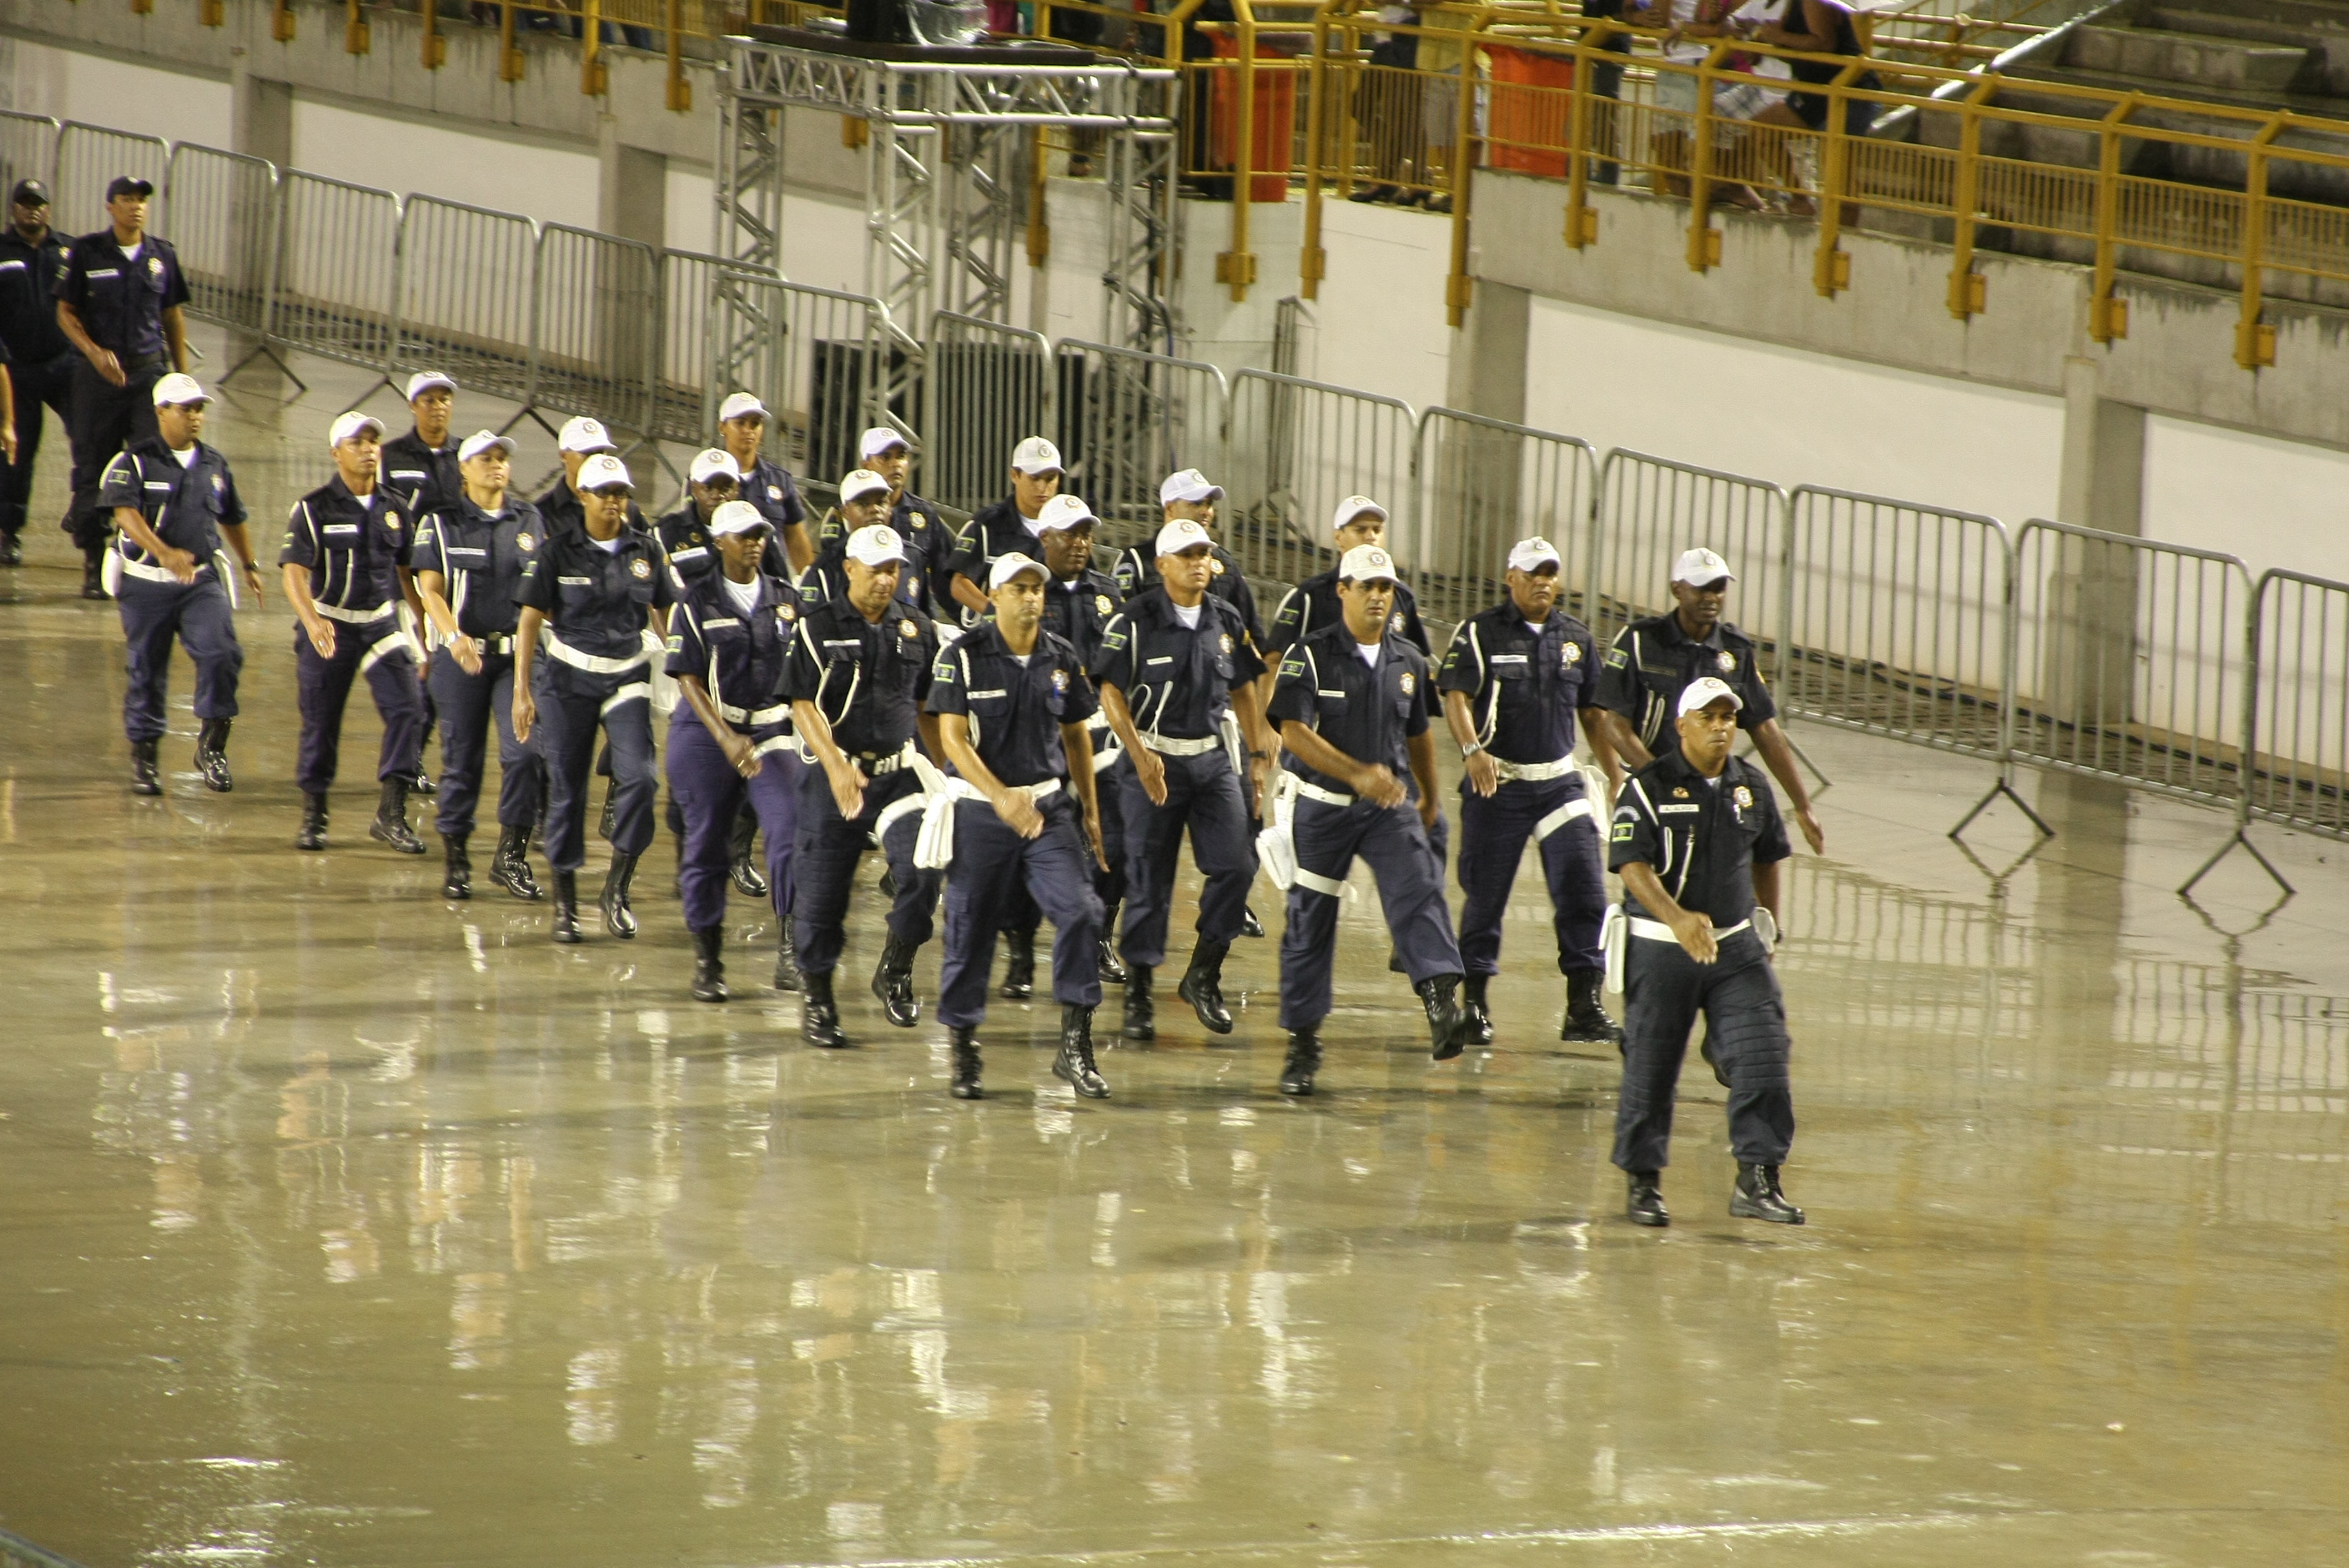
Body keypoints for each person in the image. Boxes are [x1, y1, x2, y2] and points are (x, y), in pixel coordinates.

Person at [1265, 544, 1468, 1097]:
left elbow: (1420, 734)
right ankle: (1302, 1045)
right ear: (1343, 591)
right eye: (1367, 587)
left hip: (1387, 808)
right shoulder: (1309, 656)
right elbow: (1293, 733)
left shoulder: (1407, 659)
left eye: (1386, 589)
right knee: (1309, 925)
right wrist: (1355, 774)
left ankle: (1440, 1002)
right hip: (1321, 810)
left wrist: (1428, 797)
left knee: (1419, 888)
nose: (1378, 597)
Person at [1609, 677, 1803, 1227]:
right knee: (1651, 1067)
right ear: (1682, 726)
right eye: (1708, 717)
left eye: (1727, 717)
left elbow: (1768, 855)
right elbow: (1631, 864)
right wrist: (1675, 917)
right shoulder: (1647, 786)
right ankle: (1643, 1183)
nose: (1720, 726)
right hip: (1662, 948)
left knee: (1764, 1052)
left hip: (1736, 948)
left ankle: (1758, 1178)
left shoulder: (1751, 787)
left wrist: (1767, 925)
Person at [928, 552, 1112, 1103]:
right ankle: (963, 1041)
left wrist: (1091, 810)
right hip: (983, 812)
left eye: (1038, 588)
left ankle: (1075, 1045)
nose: (1032, 596)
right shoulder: (963, 656)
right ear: (995, 595)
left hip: (1048, 809)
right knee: (970, 926)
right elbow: (952, 739)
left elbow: (1077, 734)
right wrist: (998, 796)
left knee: (1082, 910)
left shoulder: (1061, 658)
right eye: (1019, 587)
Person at [1092, 516, 1275, 1044]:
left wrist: (1258, 752)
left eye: (1205, 554)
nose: (1201, 563)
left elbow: (1243, 685)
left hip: (1213, 760)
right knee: (1148, 881)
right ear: (1163, 565)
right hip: (1153, 759)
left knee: (1238, 865)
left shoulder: (1225, 617)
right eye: (1189, 554)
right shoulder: (1135, 620)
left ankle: (1203, 975)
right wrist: (1138, 753)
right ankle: (1140, 992)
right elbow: (1110, 690)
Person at [1437, 537, 1619, 1046]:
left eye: (1551, 573)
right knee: (1485, 897)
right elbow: (1455, 694)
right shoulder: (1480, 632)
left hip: (1561, 783)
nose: (1543, 581)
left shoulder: (1576, 638)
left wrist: (1615, 774)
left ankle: (1584, 1006)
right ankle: (1473, 1003)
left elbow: (1593, 712)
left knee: (1585, 888)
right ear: (1510, 577)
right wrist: (1472, 749)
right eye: (1533, 572)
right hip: (1501, 783)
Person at [783, 523, 945, 1043]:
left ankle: (895, 969)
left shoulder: (919, 627)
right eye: (876, 569)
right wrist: (833, 764)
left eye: (895, 569)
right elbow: (802, 704)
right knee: (822, 900)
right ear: (849, 568)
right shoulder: (817, 627)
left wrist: (942, 774)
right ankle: (818, 998)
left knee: (924, 872)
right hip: (836, 777)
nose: (886, 579)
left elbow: (927, 708)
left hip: (900, 777)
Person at [512, 453, 673, 942]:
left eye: (621, 493)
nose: (613, 502)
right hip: (567, 681)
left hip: (627, 677)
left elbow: (665, 614)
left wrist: (681, 666)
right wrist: (522, 690)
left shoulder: (645, 551)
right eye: (603, 493)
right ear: (582, 495)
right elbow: (528, 621)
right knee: (566, 792)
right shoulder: (557, 552)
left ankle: (616, 888)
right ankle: (566, 904)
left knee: (642, 781)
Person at [1118, 465, 1272, 939]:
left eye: (1210, 504)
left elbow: (1256, 652)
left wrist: (1260, 740)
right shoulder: (1137, 564)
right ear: (1168, 510)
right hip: (1145, 721)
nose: (1207, 512)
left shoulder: (1223, 566)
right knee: (1139, 857)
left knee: (1243, 832)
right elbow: (1119, 653)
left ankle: (1225, 912)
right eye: (1196, 503)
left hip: (1211, 723)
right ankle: (1110, 932)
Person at [1591, 546, 1824, 854]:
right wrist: (1661, 775)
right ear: (1677, 589)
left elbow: (1765, 730)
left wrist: (1802, 804)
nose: (1711, 597)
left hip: (1713, 789)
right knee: (1653, 881)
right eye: (1701, 588)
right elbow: (1614, 724)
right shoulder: (1640, 641)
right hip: (1651, 786)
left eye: (1718, 589)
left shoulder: (1735, 649)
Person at [665, 500, 803, 1004]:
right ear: (719, 542)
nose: (755, 542)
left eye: (760, 533)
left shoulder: (786, 599)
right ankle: (709, 957)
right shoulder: (696, 602)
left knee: (789, 829)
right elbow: (687, 676)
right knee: (707, 844)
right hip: (707, 731)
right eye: (743, 534)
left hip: (771, 730)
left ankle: (791, 950)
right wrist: (724, 737)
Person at [98, 374, 259, 795]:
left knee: (222, 652)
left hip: (200, 583)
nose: (194, 416)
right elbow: (123, 513)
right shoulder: (133, 463)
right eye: (185, 408)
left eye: (199, 408)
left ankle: (212, 746)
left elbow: (232, 516)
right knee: (147, 670)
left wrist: (250, 564)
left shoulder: (214, 465)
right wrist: (163, 552)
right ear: (160, 412)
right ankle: (145, 758)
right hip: (146, 585)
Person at [995, 494, 1129, 999]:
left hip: (1096, 734)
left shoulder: (1109, 594)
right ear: (1043, 539)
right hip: (1038, 739)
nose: (1081, 543)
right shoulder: (1024, 592)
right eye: (1070, 534)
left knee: (1111, 840)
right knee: (1031, 844)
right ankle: (1021, 946)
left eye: (1087, 534)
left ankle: (1098, 935)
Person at [279, 410, 429, 856]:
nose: (368, 450)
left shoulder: (396, 506)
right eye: (357, 442)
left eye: (373, 442)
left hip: (381, 624)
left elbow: (408, 571)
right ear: (335, 453)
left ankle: (391, 813)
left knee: (410, 709)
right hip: (331, 624)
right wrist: (312, 621)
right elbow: (293, 573)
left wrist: (423, 622)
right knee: (321, 722)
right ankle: (315, 814)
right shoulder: (313, 507)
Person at [410, 430, 546, 902]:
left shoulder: (529, 520)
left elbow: (539, 596)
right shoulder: (442, 523)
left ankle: (511, 855)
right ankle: (457, 856)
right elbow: (430, 590)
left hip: (515, 658)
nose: (497, 465)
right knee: (461, 761)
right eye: (485, 458)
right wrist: (452, 636)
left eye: (502, 457)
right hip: (461, 657)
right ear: (463, 469)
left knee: (527, 754)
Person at [54, 174, 189, 599]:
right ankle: (93, 564)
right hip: (98, 379)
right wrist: (93, 352)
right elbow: (65, 312)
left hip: (147, 377)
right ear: (110, 206)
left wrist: (181, 380)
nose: (136, 206)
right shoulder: (87, 252)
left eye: (142, 200)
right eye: (127, 199)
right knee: (94, 468)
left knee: (154, 467)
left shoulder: (161, 256)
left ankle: (146, 556)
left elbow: (172, 317)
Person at [656, 447, 772, 909]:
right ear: (694, 489)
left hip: (746, 669)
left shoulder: (759, 544)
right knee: (691, 783)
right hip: (690, 659)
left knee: (752, 785)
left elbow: (777, 591)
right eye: (712, 486)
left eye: (729, 484)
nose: (722, 492)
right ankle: (693, 860)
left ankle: (736, 852)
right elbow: (660, 595)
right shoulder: (669, 532)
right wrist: (675, 642)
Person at [1264, 495, 1431, 664]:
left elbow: (1416, 659)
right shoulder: (1311, 596)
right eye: (1360, 530)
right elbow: (1274, 658)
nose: (1370, 536)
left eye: (1377, 530)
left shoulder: (1401, 596)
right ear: (1338, 538)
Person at [0, 178, 71, 569]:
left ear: (48, 208)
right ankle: (9, 531)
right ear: (13, 209)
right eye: (25, 203)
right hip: (17, 369)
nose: (32, 210)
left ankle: (87, 511)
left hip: (64, 364)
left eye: (39, 203)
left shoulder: (68, 252)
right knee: (17, 456)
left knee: (90, 438)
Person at [943, 435, 1062, 623]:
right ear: (1015, 475)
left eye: (1050, 479)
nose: (1042, 487)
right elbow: (959, 584)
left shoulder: (1067, 526)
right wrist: (996, 614)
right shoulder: (988, 524)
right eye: (1035, 478)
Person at [843, 425, 950, 611]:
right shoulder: (846, 512)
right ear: (866, 465)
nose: (895, 464)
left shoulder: (925, 514)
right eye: (885, 457)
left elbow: (944, 580)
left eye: (901, 456)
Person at [801, 467, 930, 616]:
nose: (874, 509)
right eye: (863, 504)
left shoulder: (913, 556)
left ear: (890, 508)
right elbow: (812, 625)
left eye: (881, 502)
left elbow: (924, 620)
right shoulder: (825, 567)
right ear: (845, 512)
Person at [715, 391, 814, 576]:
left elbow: (795, 537)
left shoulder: (779, 479)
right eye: (740, 423)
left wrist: (811, 585)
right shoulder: (708, 477)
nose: (748, 430)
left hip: (771, 584)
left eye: (755, 424)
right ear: (723, 427)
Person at [536, 417, 650, 540]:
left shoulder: (626, 507)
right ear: (564, 456)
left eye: (600, 452)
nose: (595, 459)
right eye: (588, 453)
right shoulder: (542, 514)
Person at [381, 371, 462, 521]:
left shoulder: (467, 454)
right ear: (412, 405)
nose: (438, 407)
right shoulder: (389, 455)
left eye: (444, 400)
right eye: (429, 401)